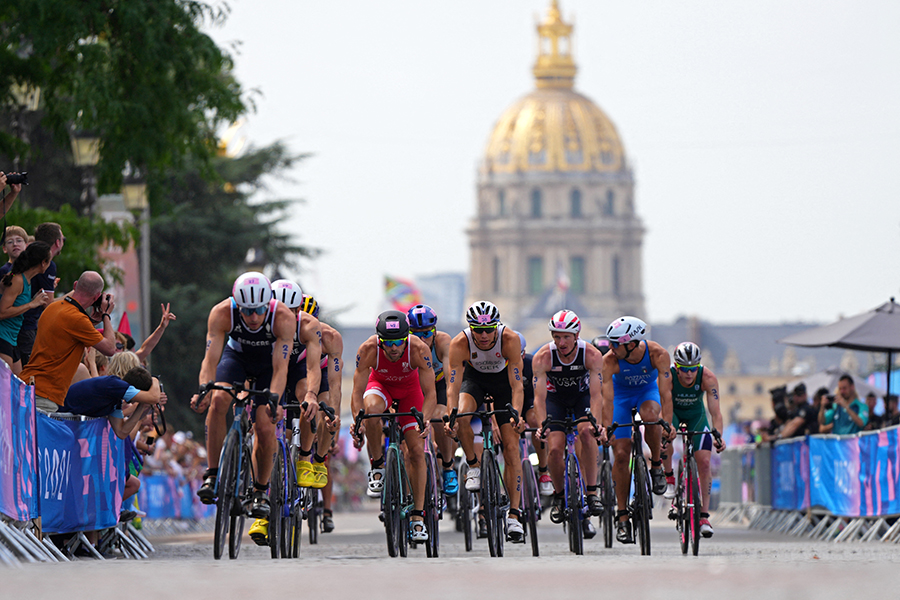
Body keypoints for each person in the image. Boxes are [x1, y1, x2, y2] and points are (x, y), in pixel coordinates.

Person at [189, 272, 296, 519]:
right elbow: (210, 359)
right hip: (235, 358)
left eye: (259, 309)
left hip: (268, 366)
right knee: (217, 401)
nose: (254, 317)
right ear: (237, 305)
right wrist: (204, 388)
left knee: (266, 426)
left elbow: (281, 368)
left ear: (268, 303)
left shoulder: (282, 317)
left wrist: (275, 400)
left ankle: (260, 490)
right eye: (247, 311)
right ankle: (213, 473)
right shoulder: (222, 312)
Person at [247, 280, 327, 547]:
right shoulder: (263, 322)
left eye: (293, 312)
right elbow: (250, 366)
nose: (288, 317)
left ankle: (304, 458)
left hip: (298, 370)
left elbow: (315, 368)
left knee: (307, 398)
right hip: (270, 369)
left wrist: (312, 397)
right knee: (263, 429)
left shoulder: (308, 327)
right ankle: (262, 499)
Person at [443, 300, 527, 544]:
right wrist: (451, 416)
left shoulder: (509, 339)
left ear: (496, 326)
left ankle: (514, 516)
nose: (483, 335)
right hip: (475, 381)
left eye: (488, 329)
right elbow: (453, 386)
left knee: (511, 448)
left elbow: (517, 386)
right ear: (470, 329)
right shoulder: (460, 343)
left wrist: (517, 415)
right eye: (477, 330)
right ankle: (473, 465)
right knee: (462, 417)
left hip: (503, 385)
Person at [350, 310, 437, 542]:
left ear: (407, 337)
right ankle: (378, 466)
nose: (394, 348)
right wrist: (357, 421)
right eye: (388, 343)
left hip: (411, 394)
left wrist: (425, 419)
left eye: (399, 342)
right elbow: (357, 391)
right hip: (381, 387)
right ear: (379, 340)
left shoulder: (419, 349)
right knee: (371, 411)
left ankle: (418, 518)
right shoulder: (368, 349)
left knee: (417, 451)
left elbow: (430, 394)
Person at [598, 315, 673, 544]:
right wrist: (606, 428)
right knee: (620, 454)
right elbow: (607, 400)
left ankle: (657, 465)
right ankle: (622, 517)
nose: (610, 347)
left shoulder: (657, 354)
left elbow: (666, 393)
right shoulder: (610, 360)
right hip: (620, 398)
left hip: (646, 392)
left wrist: (667, 423)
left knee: (651, 416)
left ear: (632, 343)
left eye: (615, 343)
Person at [532, 310, 604, 540]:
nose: (561, 342)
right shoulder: (543, 357)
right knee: (554, 448)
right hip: (556, 401)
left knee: (586, 433)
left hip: (581, 397)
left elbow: (596, 396)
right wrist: (543, 424)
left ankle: (591, 492)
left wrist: (597, 423)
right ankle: (560, 495)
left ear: (576, 335)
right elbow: (539, 399)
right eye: (556, 337)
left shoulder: (591, 355)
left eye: (566, 337)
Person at [20, 271, 118, 413]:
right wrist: (106, 315)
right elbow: (110, 348)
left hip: (27, 386)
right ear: (97, 297)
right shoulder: (77, 319)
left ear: (75, 285)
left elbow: (67, 333)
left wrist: (92, 322)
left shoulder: (54, 307)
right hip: (44, 396)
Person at [660, 342, 726, 538]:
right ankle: (670, 477)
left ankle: (704, 516)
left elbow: (715, 411)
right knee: (665, 438)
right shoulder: (668, 377)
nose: (689, 374)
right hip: (674, 413)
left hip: (697, 416)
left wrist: (718, 435)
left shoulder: (708, 377)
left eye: (693, 369)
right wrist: (668, 427)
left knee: (704, 462)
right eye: (684, 370)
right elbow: (665, 406)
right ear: (676, 367)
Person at [406, 303, 458, 495]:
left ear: (434, 331)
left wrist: (452, 411)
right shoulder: (405, 344)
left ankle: (448, 467)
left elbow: (450, 379)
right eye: (416, 334)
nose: (422, 339)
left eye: (426, 334)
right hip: (416, 386)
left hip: (439, 384)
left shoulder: (444, 341)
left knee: (439, 418)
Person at [0, 241, 52, 373]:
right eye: (49, 261)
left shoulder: (26, 280)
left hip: (12, 338)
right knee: (6, 388)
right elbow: (2, 312)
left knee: (19, 384)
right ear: (43, 263)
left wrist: (35, 299)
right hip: (3, 336)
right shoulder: (17, 279)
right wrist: (31, 304)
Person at [17, 222, 64, 366]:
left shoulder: (26, 254)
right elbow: (48, 305)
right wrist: (74, 295)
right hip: (26, 327)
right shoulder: (48, 262)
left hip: (16, 326)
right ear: (57, 242)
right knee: (28, 376)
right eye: (63, 239)